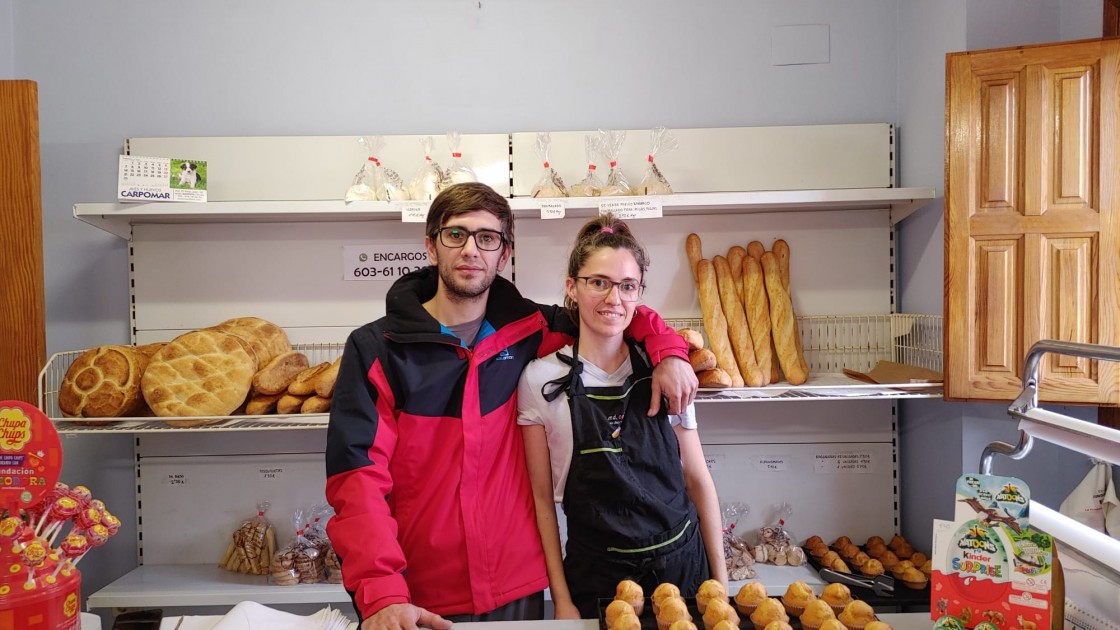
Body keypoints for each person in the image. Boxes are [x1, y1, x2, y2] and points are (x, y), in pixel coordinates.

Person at [325, 182, 698, 630]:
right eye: (455, 234)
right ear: (430, 245)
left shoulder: (531, 329)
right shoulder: (377, 350)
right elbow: (357, 483)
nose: (471, 250)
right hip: (419, 592)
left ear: (504, 255)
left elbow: (615, 310)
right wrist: (381, 592)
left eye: (487, 238)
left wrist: (669, 351)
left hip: (518, 586)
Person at [517, 214, 727, 619]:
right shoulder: (540, 379)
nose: (614, 299)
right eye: (598, 282)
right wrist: (561, 599)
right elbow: (541, 500)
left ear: (638, 294)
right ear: (572, 288)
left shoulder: (668, 371)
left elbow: (698, 479)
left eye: (627, 286)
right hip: (597, 577)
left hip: (682, 566)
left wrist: (720, 585)